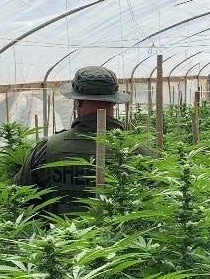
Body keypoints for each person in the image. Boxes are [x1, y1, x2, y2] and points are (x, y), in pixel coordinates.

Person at [13, 66, 135, 214]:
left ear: (77, 102)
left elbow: (19, 198)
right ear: (114, 102)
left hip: (58, 235)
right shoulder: (137, 153)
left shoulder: (47, 149)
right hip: (119, 237)